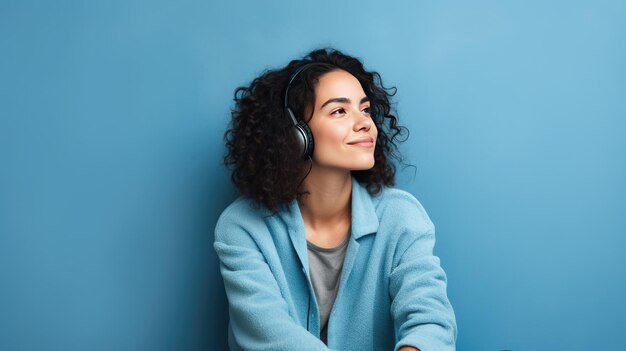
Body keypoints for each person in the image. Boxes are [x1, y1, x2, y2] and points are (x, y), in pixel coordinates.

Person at [214, 47, 457, 351]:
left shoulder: (401, 216)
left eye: (365, 109)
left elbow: (431, 321)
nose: (365, 122)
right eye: (339, 111)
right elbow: (271, 335)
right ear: (296, 134)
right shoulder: (241, 227)